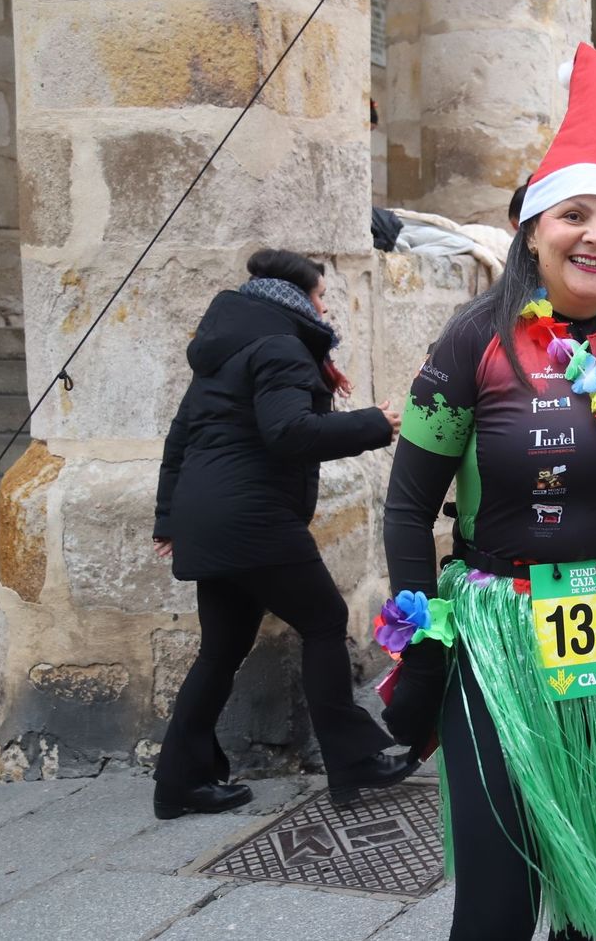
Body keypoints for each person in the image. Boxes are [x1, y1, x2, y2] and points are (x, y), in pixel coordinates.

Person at [379, 43, 596, 941]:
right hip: (502, 640)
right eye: (573, 216)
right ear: (532, 229)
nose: (595, 235)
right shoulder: (473, 341)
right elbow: (407, 506)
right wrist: (425, 649)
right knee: (496, 905)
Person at [151, 249, 409, 820]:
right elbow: (290, 432)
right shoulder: (281, 348)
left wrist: (170, 518)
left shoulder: (228, 346)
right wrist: (375, 424)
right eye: (320, 297)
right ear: (295, 299)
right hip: (253, 517)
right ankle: (352, 761)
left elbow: (181, 436)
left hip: (211, 516)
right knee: (322, 621)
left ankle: (178, 782)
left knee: (220, 651)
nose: (325, 308)